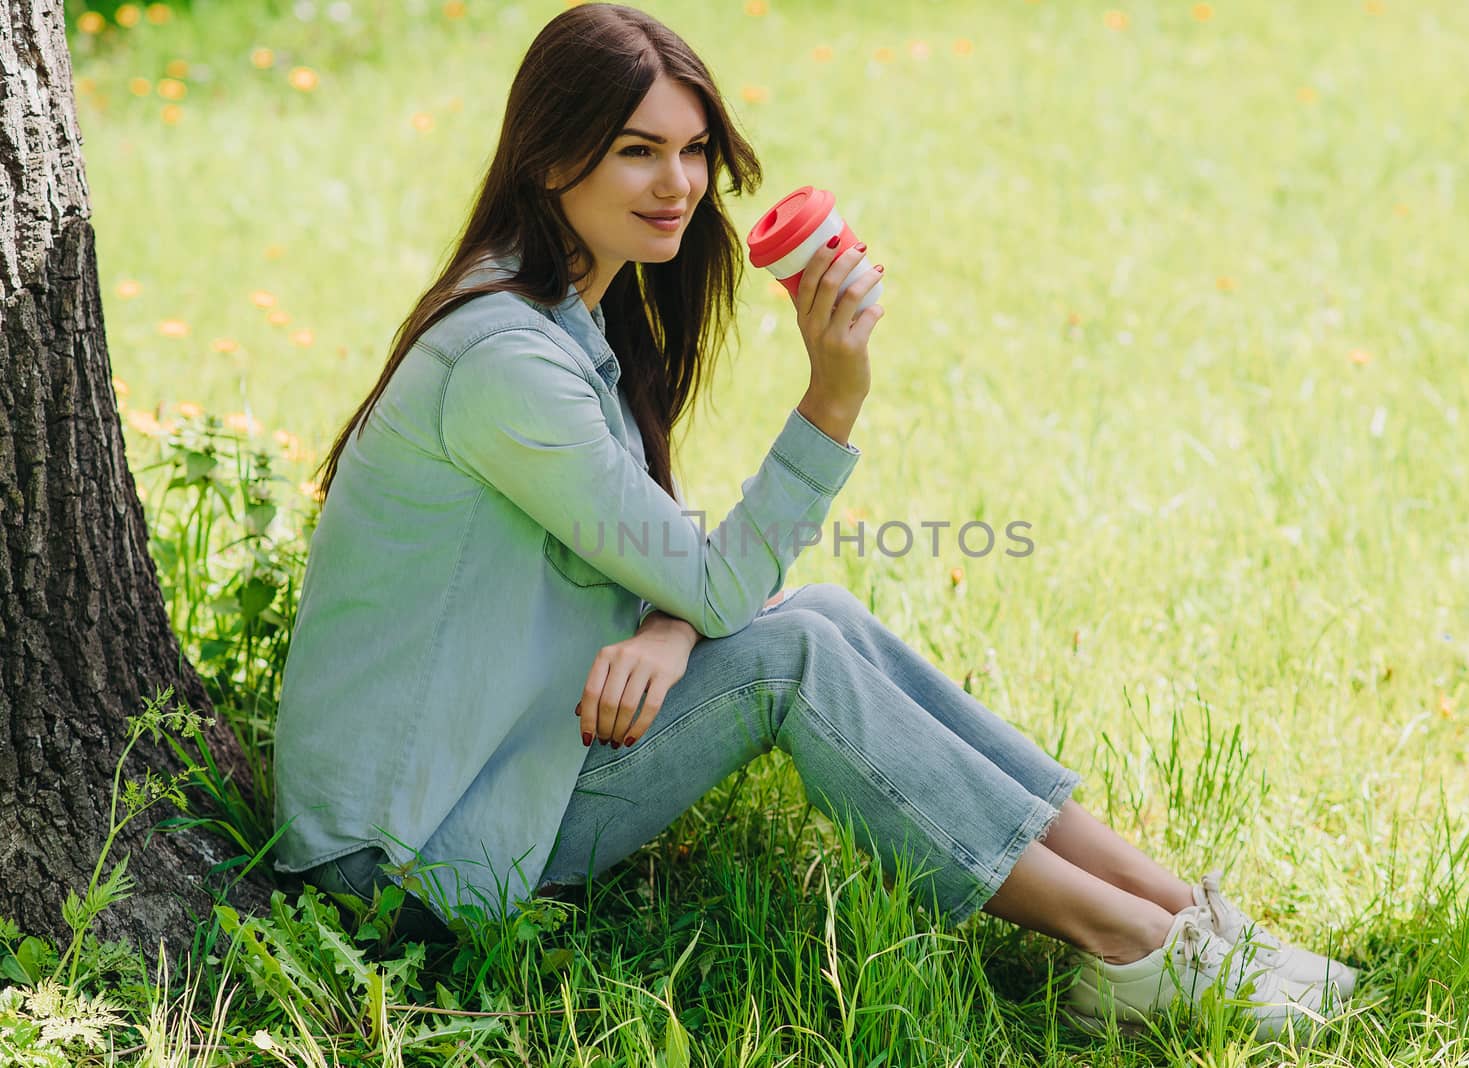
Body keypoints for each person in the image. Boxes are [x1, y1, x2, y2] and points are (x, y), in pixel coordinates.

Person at [270, 2, 1358, 1039]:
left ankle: (1189, 919)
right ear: (551, 158)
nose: (680, 184)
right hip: (397, 867)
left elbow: (669, 565)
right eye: (638, 151)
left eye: (694, 151)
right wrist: (830, 401)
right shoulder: (505, 357)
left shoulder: (558, 316)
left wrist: (669, 622)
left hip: (495, 779)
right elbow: (709, 580)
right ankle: (1129, 948)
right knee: (790, 654)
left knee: (819, 612)